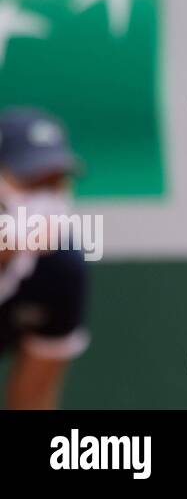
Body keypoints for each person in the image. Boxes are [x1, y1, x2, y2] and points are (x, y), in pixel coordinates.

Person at [0, 107, 91, 409]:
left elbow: (33, 398)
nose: (46, 201)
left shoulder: (62, 270)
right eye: (31, 182)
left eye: (54, 183)